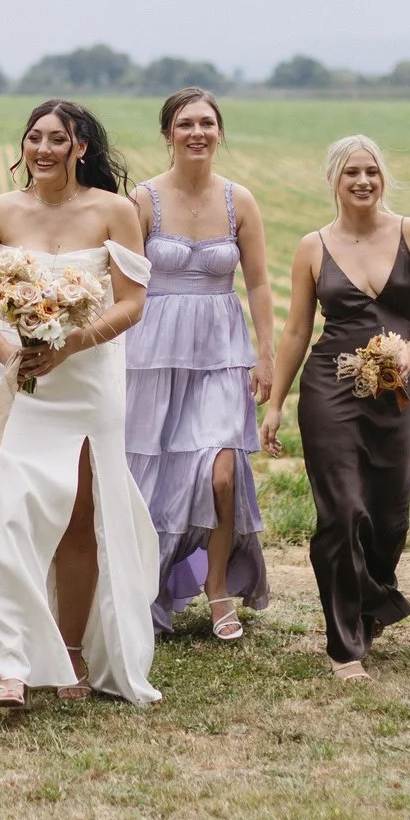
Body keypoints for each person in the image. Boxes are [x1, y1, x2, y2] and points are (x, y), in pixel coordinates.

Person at [0, 99, 157, 708]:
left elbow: (133, 301)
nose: (44, 149)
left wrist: (73, 342)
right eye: (34, 138)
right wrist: (10, 352)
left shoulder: (114, 211)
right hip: (21, 378)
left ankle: (73, 652)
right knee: (13, 510)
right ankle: (13, 661)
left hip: (88, 379)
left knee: (81, 515)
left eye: (58, 139)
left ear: (81, 147)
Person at [259, 135, 410, 680]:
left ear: (382, 177)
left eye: (371, 171)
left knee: (388, 517)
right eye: (351, 174)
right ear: (334, 182)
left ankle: (375, 600)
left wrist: (409, 352)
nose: (363, 181)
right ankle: (345, 646)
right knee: (342, 512)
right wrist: (275, 404)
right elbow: (298, 329)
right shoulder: (312, 246)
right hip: (331, 388)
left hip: (396, 390)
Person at [123, 87, 277, 639]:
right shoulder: (142, 201)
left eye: (207, 123)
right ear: (168, 134)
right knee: (152, 473)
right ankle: (144, 586)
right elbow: (124, 282)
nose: (197, 133)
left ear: (220, 132)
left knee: (223, 468)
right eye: (185, 124)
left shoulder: (241, 200)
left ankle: (218, 588)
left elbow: (258, 282)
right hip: (152, 352)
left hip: (220, 350)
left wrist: (266, 355)